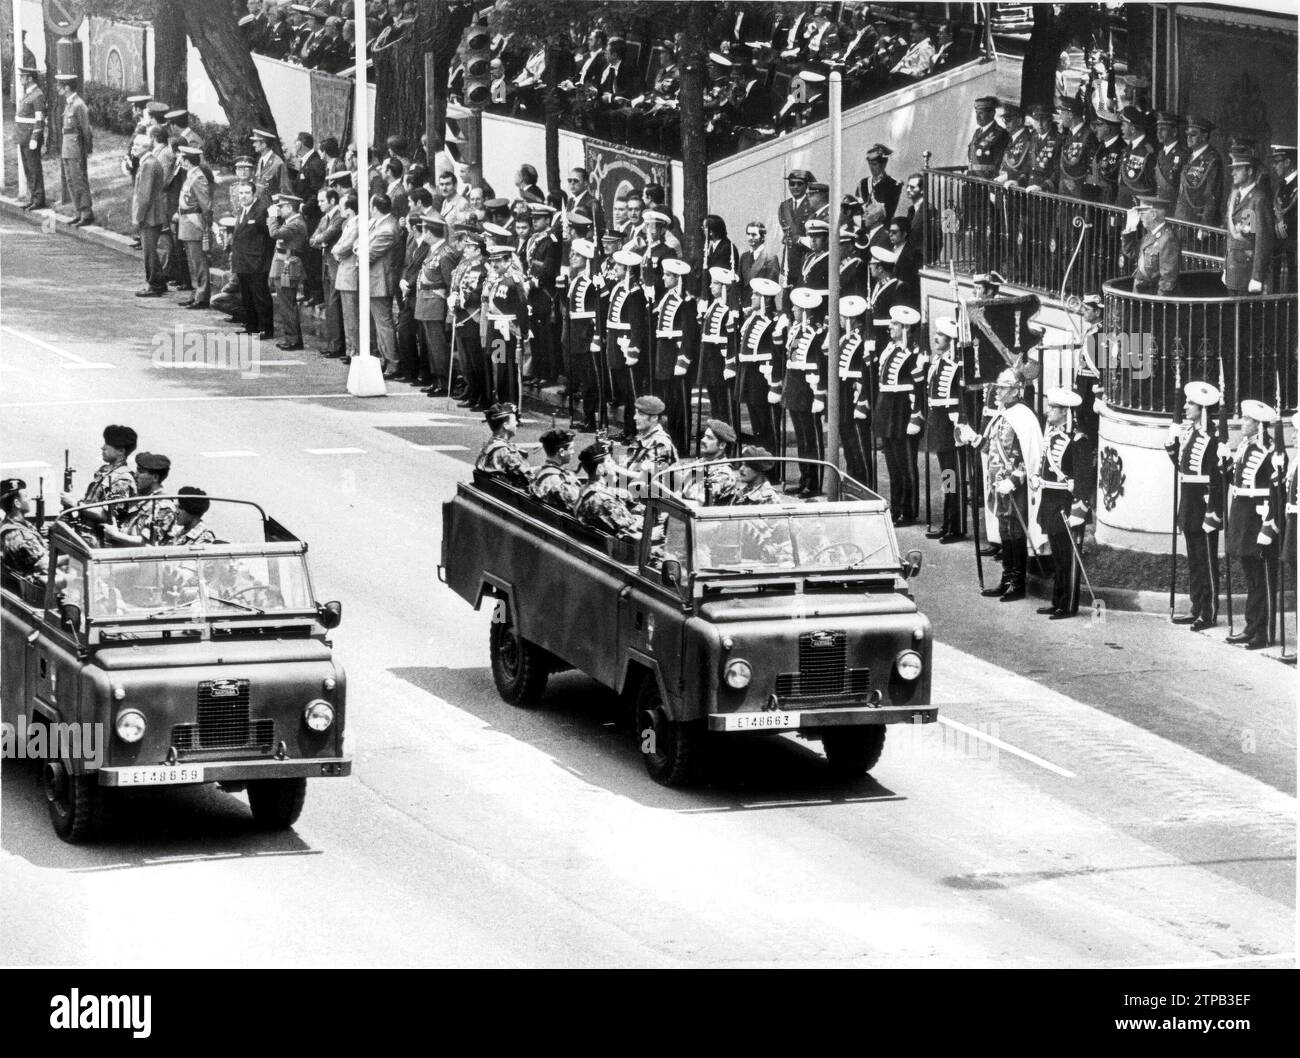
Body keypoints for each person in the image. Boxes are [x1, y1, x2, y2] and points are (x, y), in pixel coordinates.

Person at [958, 368, 1044, 602]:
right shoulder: (1002, 414)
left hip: (1014, 488)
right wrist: (973, 438)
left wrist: (1014, 480)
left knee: (1015, 531)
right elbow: (991, 449)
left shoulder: (1024, 416)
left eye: (1003, 388)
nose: (998, 392)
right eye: (997, 387)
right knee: (1005, 531)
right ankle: (1007, 578)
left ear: (1016, 390)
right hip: (998, 486)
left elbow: (1033, 459)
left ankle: (1018, 582)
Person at [1166, 381, 1225, 631]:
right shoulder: (1189, 433)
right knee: (1194, 561)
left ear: (1201, 409)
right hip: (1188, 503)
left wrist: (1214, 513)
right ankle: (1196, 607)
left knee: (1206, 561)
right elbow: (1182, 466)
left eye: (1190, 403)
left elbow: (1219, 480)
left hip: (1203, 505)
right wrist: (1171, 443)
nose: (1185, 406)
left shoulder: (1213, 439)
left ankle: (1208, 612)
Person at [1225, 400, 1281, 649]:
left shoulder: (1270, 451)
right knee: (1251, 575)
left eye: (1247, 420)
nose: (1242, 423)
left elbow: (1275, 493)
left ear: (1259, 424)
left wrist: (1269, 525)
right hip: (1243, 516)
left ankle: (1264, 632)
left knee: (1263, 577)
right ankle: (1251, 626)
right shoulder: (1246, 447)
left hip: (1259, 519)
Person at [1032, 389, 1087, 618]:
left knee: (1068, 556)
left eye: (1053, 408)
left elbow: (1084, 477)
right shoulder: (1052, 435)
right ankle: (1057, 600)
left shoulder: (1077, 440)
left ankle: (1068, 604)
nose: (1048, 411)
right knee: (1057, 555)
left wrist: (1079, 509)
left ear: (1065, 412)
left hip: (1066, 503)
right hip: (1051, 501)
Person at [875, 305, 924, 524]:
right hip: (887, 407)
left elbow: (919, 389)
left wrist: (916, 415)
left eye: (894, 324)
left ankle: (909, 510)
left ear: (905, 328)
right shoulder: (890, 348)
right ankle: (895, 507)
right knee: (893, 464)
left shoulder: (914, 354)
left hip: (903, 409)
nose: (890, 327)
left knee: (906, 464)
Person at [779, 287, 827, 497]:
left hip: (807, 391)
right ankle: (803, 478)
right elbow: (793, 357)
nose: (793, 311)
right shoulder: (798, 330)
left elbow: (816, 364)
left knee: (811, 438)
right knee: (801, 438)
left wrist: (818, 394)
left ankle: (813, 482)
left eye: (797, 309)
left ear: (806, 312)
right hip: (795, 389)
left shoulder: (814, 333)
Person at [924, 316, 966, 542]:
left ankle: (956, 526)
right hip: (938, 424)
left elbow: (959, 397)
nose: (935, 338)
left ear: (950, 340)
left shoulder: (953, 365)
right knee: (946, 476)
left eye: (939, 336)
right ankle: (948, 522)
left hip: (950, 426)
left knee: (952, 476)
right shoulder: (938, 362)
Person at [738, 276, 785, 451]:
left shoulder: (773, 322)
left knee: (767, 423)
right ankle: (760, 461)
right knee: (756, 421)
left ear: (765, 299)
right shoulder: (752, 318)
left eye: (756, 295)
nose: (752, 297)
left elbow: (777, 354)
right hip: (749, 374)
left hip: (763, 375)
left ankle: (771, 462)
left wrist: (775, 381)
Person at [654, 256, 696, 454]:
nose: (664, 278)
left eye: (668, 275)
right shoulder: (667, 296)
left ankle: (683, 445)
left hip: (676, 357)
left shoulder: (686, 302)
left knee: (681, 405)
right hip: (665, 357)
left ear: (678, 278)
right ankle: (672, 443)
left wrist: (684, 359)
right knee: (670, 405)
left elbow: (689, 333)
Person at [413, 213, 458, 393]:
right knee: (431, 346)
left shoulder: (445, 254)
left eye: (424, 230)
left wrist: (449, 311)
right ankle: (436, 378)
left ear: (430, 232)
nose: (423, 234)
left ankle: (445, 381)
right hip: (426, 303)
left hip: (436, 304)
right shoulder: (434, 251)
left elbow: (450, 284)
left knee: (438, 346)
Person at [62, 425, 139, 529]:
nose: (103, 447)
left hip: (101, 539)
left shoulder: (123, 480)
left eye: (108, 444)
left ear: (121, 451)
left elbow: (108, 516)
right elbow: (91, 503)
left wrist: (74, 503)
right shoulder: (105, 472)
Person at [1224, 148, 1276, 295]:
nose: (1233, 173)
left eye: (1238, 169)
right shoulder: (1234, 197)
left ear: (1250, 171)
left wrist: (1257, 277)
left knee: (1246, 317)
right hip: (1232, 271)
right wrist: (1225, 267)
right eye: (1233, 169)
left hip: (1248, 273)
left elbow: (1263, 240)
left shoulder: (1258, 199)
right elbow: (1231, 234)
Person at [563, 238, 602, 431]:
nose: (572, 257)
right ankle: (586, 417)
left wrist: (592, 335)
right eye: (572, 253)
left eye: (577, 255)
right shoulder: (576, 279)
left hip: (585, 335)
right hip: (575, 335)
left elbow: (596, 312)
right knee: (581, 378)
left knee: (589, 381)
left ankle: (591, 419)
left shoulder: (590, 282)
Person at [230, 178, 275, 339]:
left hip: (257, 262)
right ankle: (251, 326)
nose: (243, 196)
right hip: (242, 261)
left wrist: (264, 259)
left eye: (247, 193)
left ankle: (266, 328)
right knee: (247, 295)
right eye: (240, 193)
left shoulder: (262, 210)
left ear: (254, 194)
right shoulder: (241, 210)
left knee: (260, 295)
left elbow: (270, 238)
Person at [101, 453, 176, 547]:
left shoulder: (163, 505)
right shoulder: (143, 498)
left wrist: (115, 535)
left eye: (140, 471)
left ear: (155, 477)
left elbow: (147, 543)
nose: (135, 475)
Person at [133, 127, 171, 298]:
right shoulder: (150, 162)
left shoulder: (148, 164)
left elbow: (144, 196)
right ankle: (159, 282)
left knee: (149, 251)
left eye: (137, 146)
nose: (133, 148)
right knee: (150, 250)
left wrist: (138, 217)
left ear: (145, 148)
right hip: (153, 213)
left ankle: (154, 284)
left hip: (150, 215)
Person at [576, 443, 643, 538]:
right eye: (609, 461)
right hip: (617, 546)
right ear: (600, 469)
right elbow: (630, 530)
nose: (614, 464)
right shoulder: (604, 500)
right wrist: (642, 518)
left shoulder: (586, 488)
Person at [268, 193, 308, 350]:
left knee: (287, 304)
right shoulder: (291, 221)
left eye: (281, 207)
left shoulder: (296, 223)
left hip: (289, 266)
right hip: (283, 264)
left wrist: (272, 218)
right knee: (286, 303)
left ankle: (293, 339)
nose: (279, 211)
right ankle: (292, 337)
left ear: (290, 208)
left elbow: (274, 234)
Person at [174, 146, 213, 309]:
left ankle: (202, 295)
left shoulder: (198, 177)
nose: (180, 161)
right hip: (186, 221)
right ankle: (197, 293)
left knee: (199, 261)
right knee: (192, 261)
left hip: (194, 222)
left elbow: (206, 204)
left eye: (182, 159)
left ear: (188, 161)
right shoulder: (191, 175)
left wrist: (207, 225)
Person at [55, 74, 94, 225]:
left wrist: (86, 150)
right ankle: (78, 210)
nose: (58, 88)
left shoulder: (78, 105)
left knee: (79, 180)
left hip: (76, 148)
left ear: (67, 87)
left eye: (60, 85)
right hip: (67, 147)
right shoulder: (69, 103)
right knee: (71, 180)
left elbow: (86, 130)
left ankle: (86, 213)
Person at [1174, 115, 1224, 228]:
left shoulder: (1212, 160)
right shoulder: (1189, 156)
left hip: (1197, 222)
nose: (1188, 138)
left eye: (1193, 134)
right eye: (1187, 134)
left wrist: (1205, 225)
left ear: (1204, 136)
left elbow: (1212, 196)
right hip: (1182, 218)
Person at [0, 478, 49, 587]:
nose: (30, 499)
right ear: (17, 503)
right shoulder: (16, 533)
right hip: (35, 585)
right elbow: (44, 564)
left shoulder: (20, 524)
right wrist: (71, 557)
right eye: (26, 496)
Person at [620, 395, 679, 484]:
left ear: (654, 418)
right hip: (635, 488)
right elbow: (629, 466)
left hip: (651, 494)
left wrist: (615, 469)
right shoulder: (642, 436)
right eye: (635, 413)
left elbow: (649, 477)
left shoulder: (661, 442)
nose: (635, 417)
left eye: (640, 414)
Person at [677, 419, 738, 504]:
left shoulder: (724, 474)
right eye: (704, 436)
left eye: (709, 438)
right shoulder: (702, 463)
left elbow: (698, 499)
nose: (703, 440)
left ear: (722, 445)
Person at [1131, 194, 1180, 295]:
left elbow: (1167, 279)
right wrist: (1129, 229)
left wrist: (1157, 304)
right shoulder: (1150, 235)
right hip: (1141, 293)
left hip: (1151, 298)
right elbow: (1131, 253)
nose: (1140, 217)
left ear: (1153, 215)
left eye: (1142, 213)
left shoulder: (1168, 239)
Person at [475, 402, 532, 486]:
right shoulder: (505, 452)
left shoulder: (489, 445)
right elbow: (529, 478)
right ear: (506, 425)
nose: (517, 423)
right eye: (514, 420)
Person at [16, 66, 47, 211]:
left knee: (34, 169)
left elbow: (39, 119)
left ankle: (39, 199)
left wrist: (35, 137)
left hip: (31, 139)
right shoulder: (28, 94)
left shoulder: (37, 95)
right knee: (28, 169)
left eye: (23, 76)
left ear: (30, 78)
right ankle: (33, 197)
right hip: (24, 137)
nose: (21, 78)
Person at [530, 429, 582, 512]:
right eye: (571, 448)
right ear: (561, 452)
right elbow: (580, 508)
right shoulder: (558, 480)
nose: (573, 452)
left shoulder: (538, 471)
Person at [1271, 144, 1298, 292]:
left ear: (1288, 162)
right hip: (1281, 245)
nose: (1274, 166)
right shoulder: (1282, 184)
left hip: (1293, 244)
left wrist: (1284, 224)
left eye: (1277, 162)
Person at [1152, 111, 1188, 203]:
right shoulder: (1161, 153)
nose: (1159, 132)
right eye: (1158, 129)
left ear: (1174, 132)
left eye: (1163, 129)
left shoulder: (1183, 154)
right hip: (1159, 202)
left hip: (1173, 204)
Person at [858, 143, 900, 220]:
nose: (871, 168)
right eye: (869, 164)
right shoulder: (863, 183)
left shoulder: (893, 184)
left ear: (884, 164)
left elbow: (889, 212)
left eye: (874, 164)